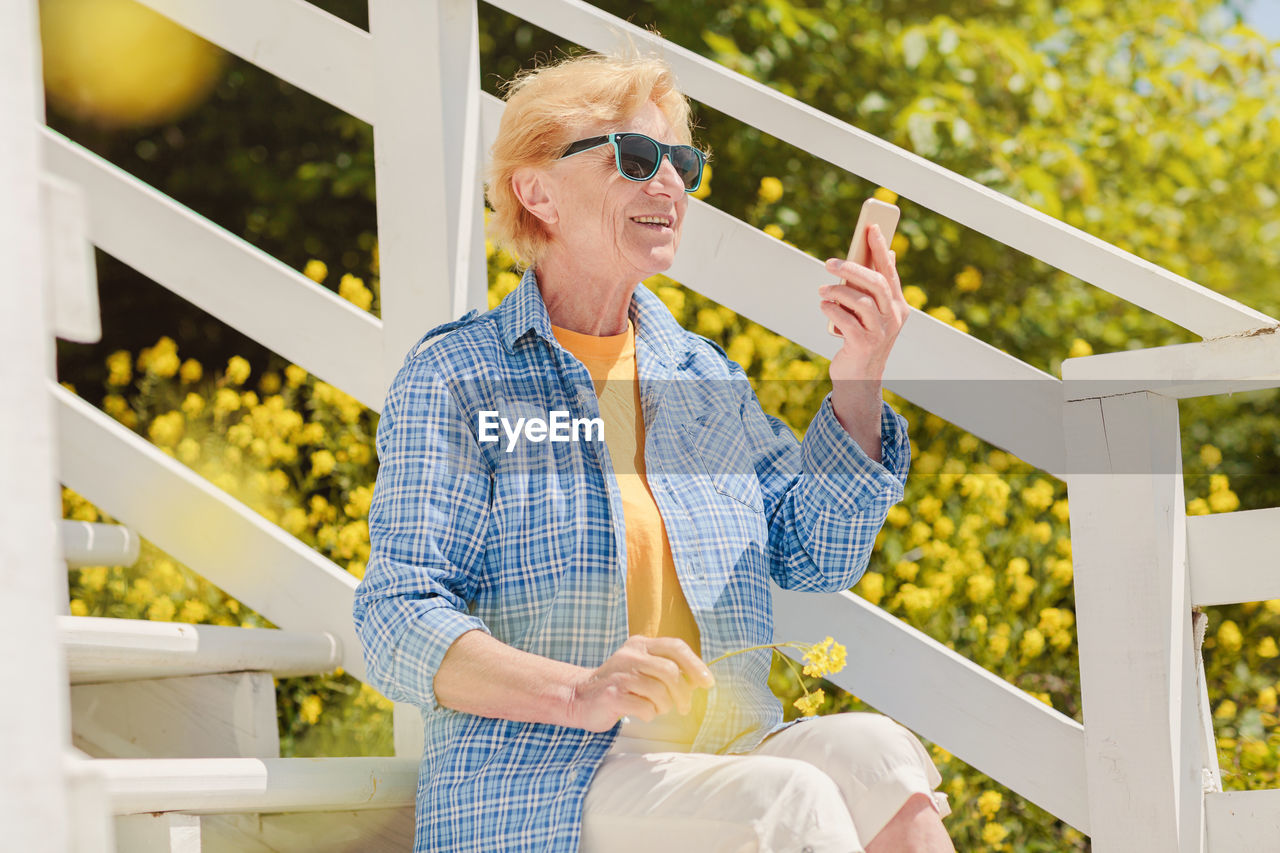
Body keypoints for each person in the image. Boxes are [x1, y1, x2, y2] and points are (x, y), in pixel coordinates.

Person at [353, 51, 953, 853]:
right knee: (790, 799)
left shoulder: (700, 374)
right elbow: (398, 617)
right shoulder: (461, 375)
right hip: (547, 779)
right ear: (537, 191)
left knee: (877, 756)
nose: (667, 183)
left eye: (683, 163)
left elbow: (816, 554)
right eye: (635, 159)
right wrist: (582, 691)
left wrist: (858, 379)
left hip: (719, 753)